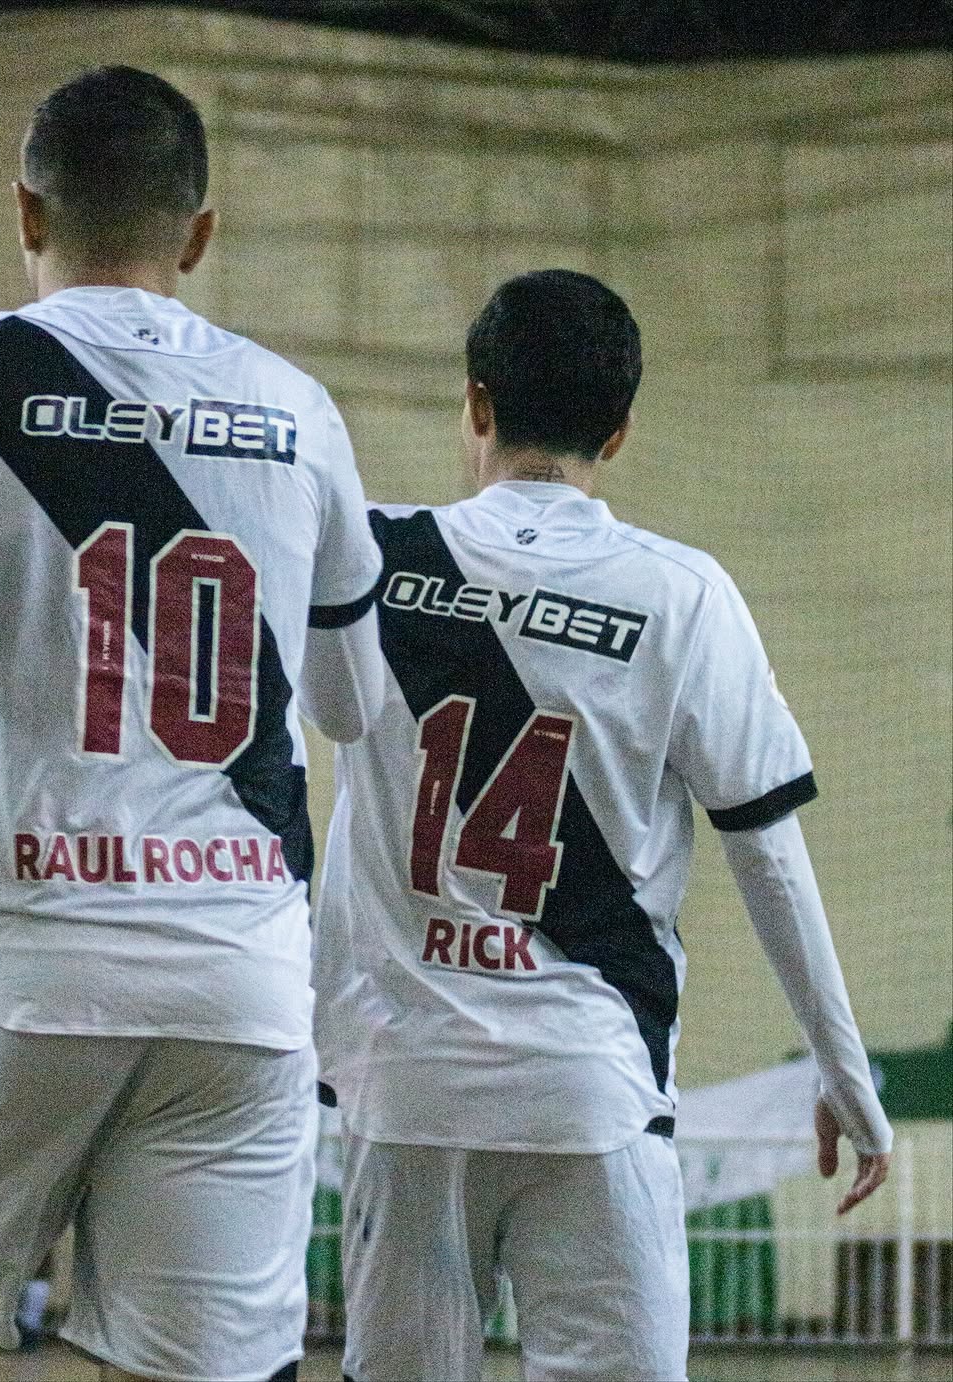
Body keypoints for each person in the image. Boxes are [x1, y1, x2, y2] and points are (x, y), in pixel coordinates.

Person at [0, 66, 384, 1382]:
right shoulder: (300, 410)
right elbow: (352, 704)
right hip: (238, 982)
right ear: (198, 233)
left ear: (25, 211)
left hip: (14, 968)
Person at [312, 269, 894, 1382]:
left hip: (408, 1084)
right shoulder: (684, 594)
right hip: (589, 1085)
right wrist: (841, 1067)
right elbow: (768, 855)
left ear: (476, 404)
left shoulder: (372, 558)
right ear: (620, 431)